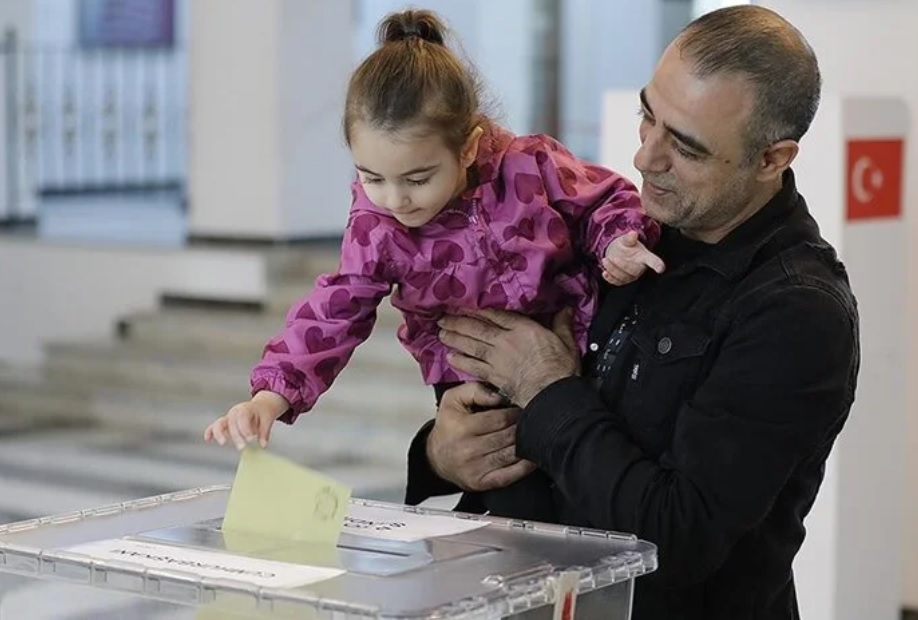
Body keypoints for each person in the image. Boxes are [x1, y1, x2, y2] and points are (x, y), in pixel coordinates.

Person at [406, 6, 860, 620]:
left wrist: (545, 386)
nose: (646, 157)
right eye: (649, 116)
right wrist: (441, 453)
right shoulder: (610, 232)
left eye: (687, 147)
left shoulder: (797, 311)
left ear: (772, 159)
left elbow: (676, 538)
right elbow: (501, 419)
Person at [203, 9, 663, 521]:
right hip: (470, 382)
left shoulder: (530, 166)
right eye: (372, 177)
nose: (395, 199)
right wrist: (272, 397)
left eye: (418, 178)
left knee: (586, 499)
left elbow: (603, 200)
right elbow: (336, 309)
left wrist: (619, 241)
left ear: (467, 147)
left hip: (570, 356)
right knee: (513, 502)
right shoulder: (375, 224)